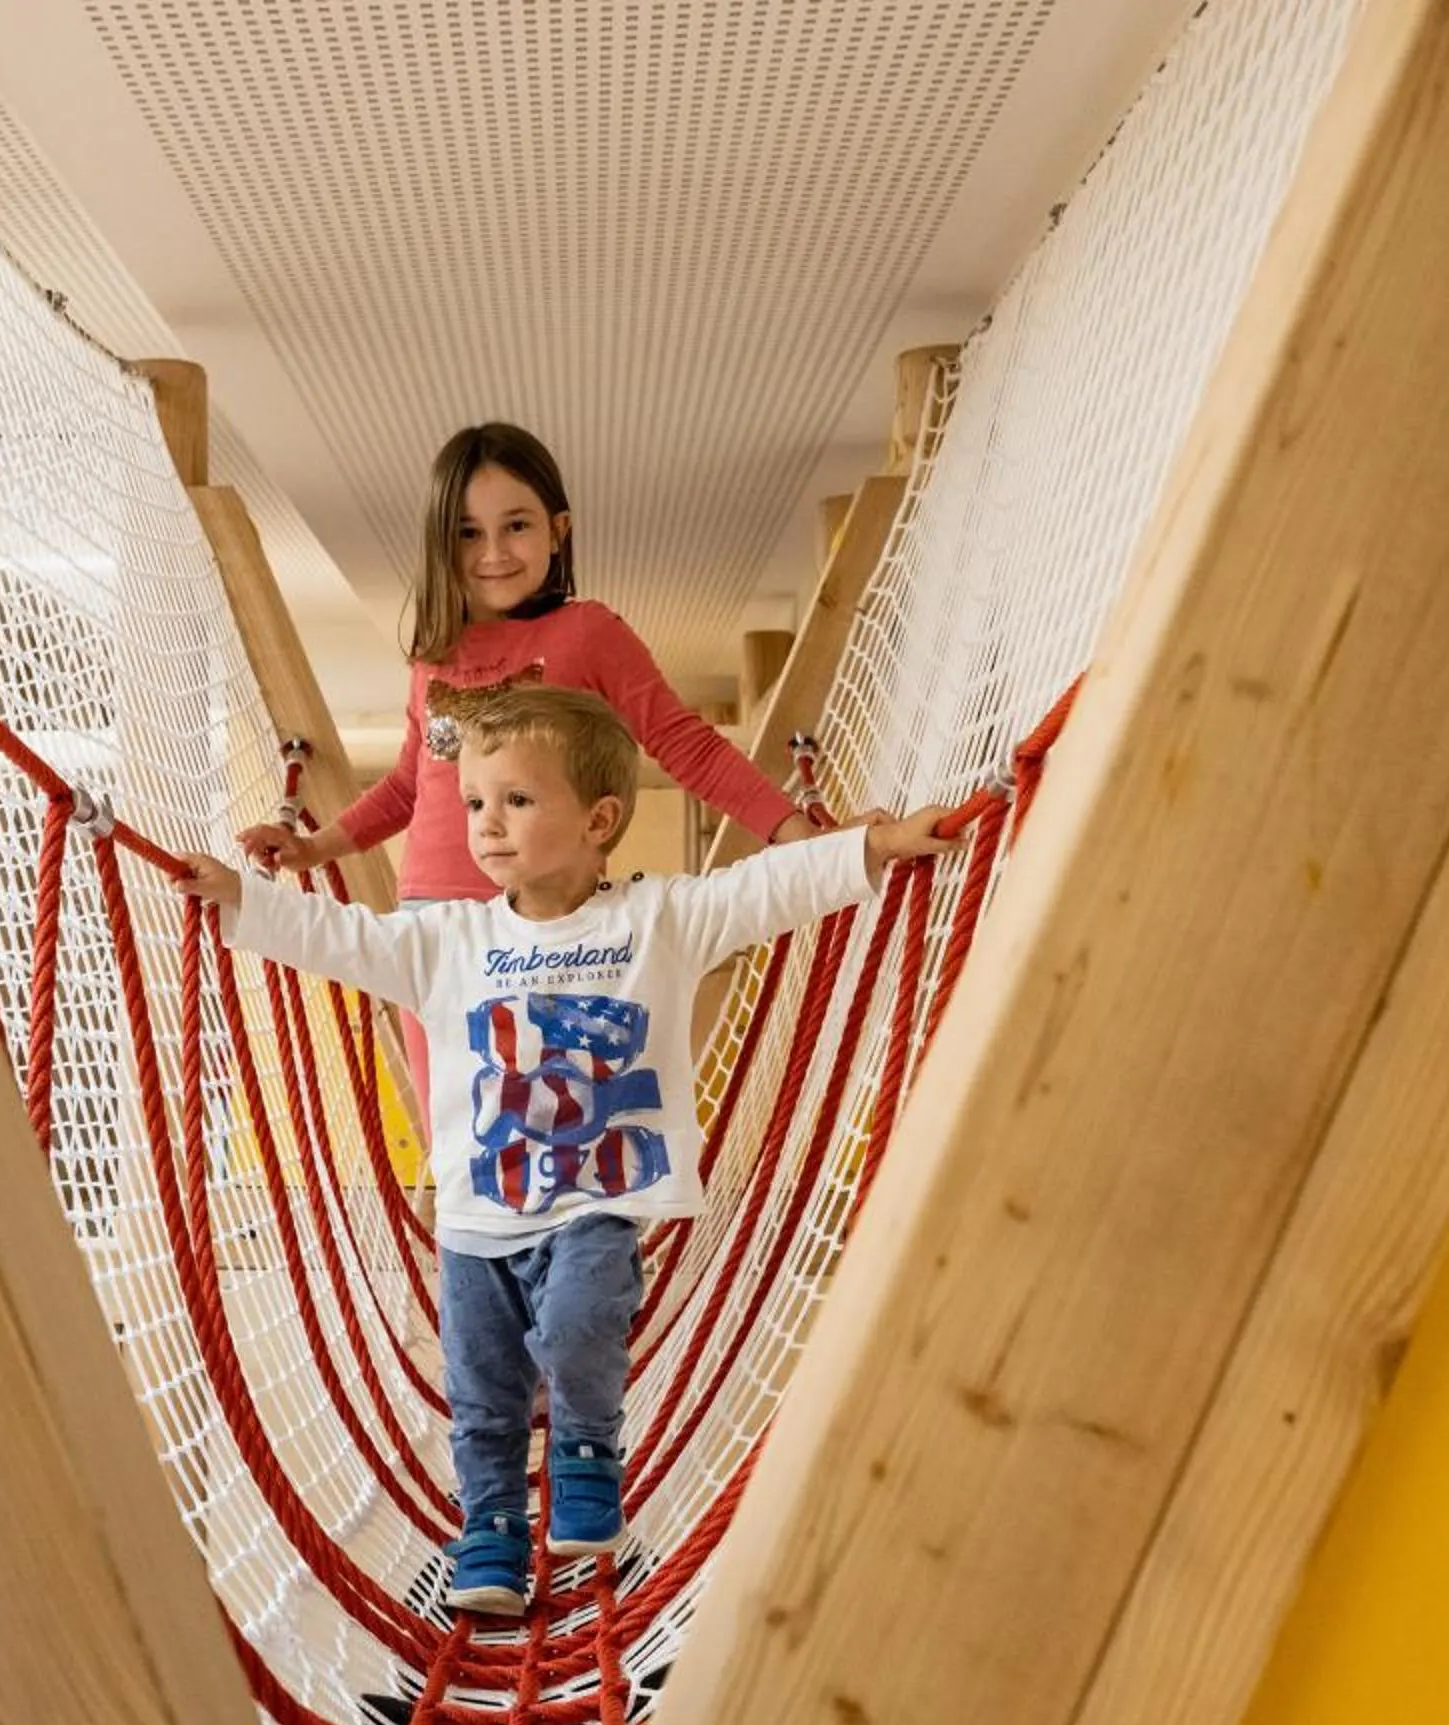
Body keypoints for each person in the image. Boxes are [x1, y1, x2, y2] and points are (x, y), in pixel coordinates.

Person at [180, 685, 953, 1615]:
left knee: (584, 1323)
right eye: (474, 803)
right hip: (477, 1218)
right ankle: (492, 1530)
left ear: (600, 821)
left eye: (516, 800)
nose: (487, 825)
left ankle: (589, 1448)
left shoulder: (658, 919)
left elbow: (768, 888)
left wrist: (873, 847)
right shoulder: (447, 939)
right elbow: (334, 935)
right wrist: (241, 900)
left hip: (599, 1200)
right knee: (483, 1387)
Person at [235, 421, 826, 1092]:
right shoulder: (435, 659)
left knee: (560, 1121)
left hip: (555, 919)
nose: (494, 552)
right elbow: (411, 787)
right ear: (440, 541)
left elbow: (683, 742)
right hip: (436, 924)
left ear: (558, 530)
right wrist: (318, 848)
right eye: (467, 532)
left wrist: (793, 832)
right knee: (459, 1129)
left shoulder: (589, 634)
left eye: (516, 525)